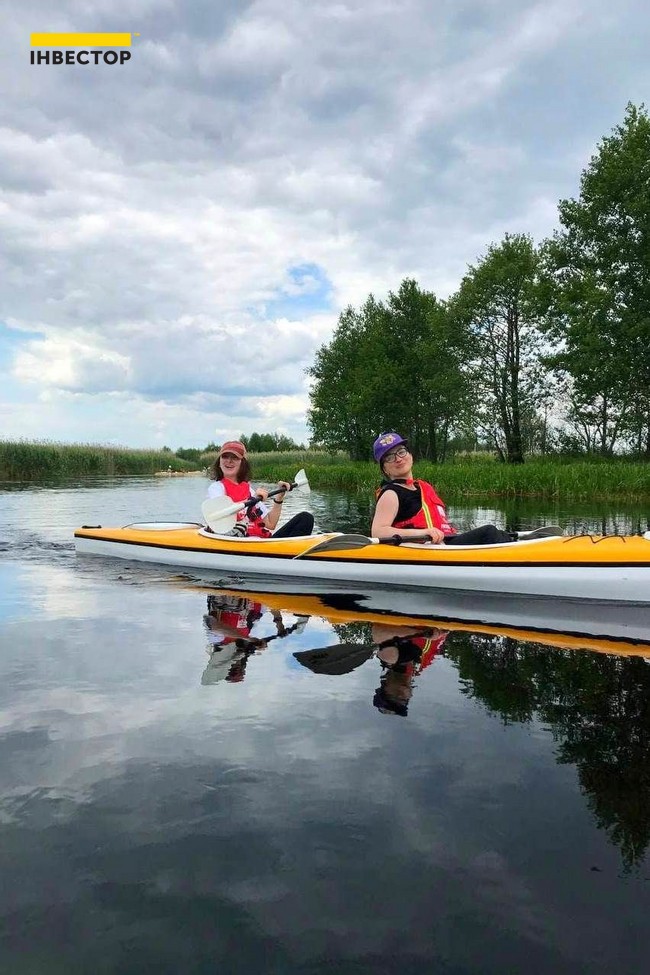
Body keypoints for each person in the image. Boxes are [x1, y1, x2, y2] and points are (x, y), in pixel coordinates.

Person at [371, 432, 561, 546]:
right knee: (488, 532)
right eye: (389, 457)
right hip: (422, 548)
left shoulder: (422, 487)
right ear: (384, 468)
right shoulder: (391, 493)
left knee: (495, 532)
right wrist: (423, 532)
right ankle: (524, 553)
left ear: (410, 455)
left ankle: (524, 544)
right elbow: (378, 532)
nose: (398, 459)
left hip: (443, 543)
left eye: (401, 452)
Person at [206, 440, 314, 538]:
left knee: (305, 518)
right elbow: (222, 514)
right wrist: (251, 500)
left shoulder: (249, 490)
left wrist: (279, 497)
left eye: (235, 458)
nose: (229, 461)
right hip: (240, 543)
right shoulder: (216, 488)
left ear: (242, 463)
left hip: (261, 544)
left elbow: (271, 523)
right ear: (219, 462)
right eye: (225, 457)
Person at [371, 623, 448, 717]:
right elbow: (438, 642)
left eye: (393, 696)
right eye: (403, 700)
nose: (400, 695)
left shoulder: (390, 659)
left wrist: (423, 633)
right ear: (409, 696)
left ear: (384, 687)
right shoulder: (418, 670)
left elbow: (377, 632)